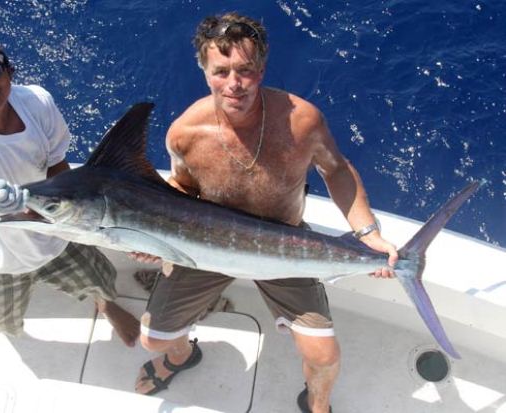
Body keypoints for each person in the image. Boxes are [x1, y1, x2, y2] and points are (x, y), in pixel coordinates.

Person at [131, 13, 398, 413]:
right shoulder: (185, 133)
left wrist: (368, 232)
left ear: (262, 69)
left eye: (246, 70)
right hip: (206, 244)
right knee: (153, 338)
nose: (234, 84)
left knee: (324, 357)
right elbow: (182, 190)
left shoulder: (301, 121)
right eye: (221, 71)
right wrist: (153, 237)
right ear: (204, 70)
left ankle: (318, 405)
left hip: (285, 247)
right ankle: (183, 355)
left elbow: (336, 169)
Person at [0, 31, 140, 353]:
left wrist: (52, 211)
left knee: (100, 279)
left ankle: (104, 304)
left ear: (9, 71)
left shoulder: (37, 102)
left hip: (56, 231)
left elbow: (57, 163)